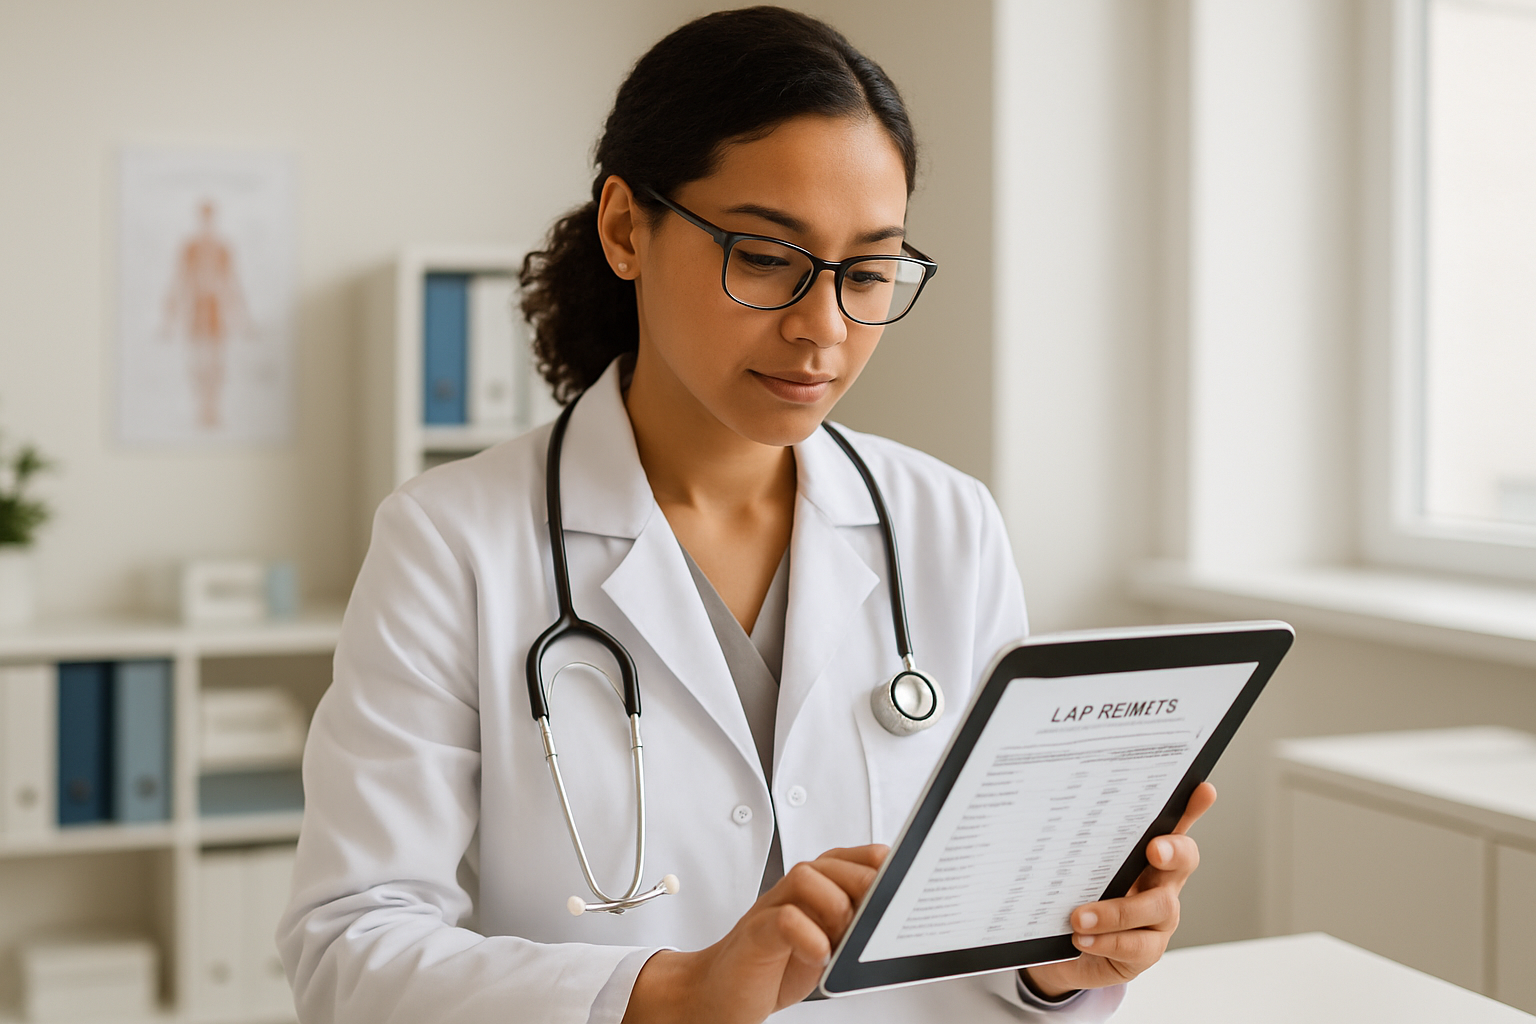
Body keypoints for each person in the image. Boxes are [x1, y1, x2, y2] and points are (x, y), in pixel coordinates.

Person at [279, 8, 1215, 1023]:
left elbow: (969, 912)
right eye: (766, 257)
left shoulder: (946, 523)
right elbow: (349, 951)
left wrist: (1057, 958)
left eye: (866, 273)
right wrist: (667, 991)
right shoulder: (452, 541)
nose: (822, 329)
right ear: (627, 228)